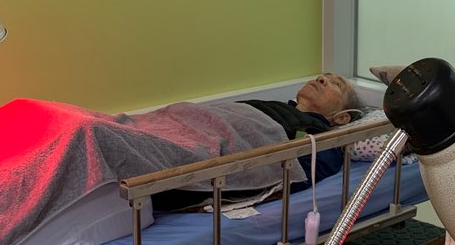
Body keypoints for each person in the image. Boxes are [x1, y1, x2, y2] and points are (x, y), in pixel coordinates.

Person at [152, 73, 366, 210]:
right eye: (323, 76)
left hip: (196, 152)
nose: (321, 79)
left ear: (342, 118)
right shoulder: (269, 106)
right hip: (178, 127)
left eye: (336, 84)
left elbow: (292, 175)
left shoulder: (323, 142)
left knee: (150, 158)